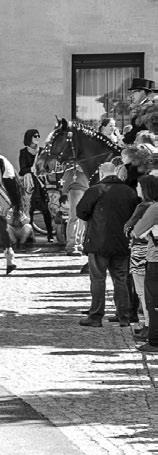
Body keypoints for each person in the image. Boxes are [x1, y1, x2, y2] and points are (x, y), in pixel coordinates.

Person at [77, 162, 140, 327]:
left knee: (98, 279)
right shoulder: (129, 192)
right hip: (121, 242)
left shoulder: (95, 190)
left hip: (98, 242)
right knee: (121, 279)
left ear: (101, 173)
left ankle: (96, 316)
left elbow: (81, 212)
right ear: (116, 173)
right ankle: (124, 316)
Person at [124, 175, 158, 340]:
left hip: (142, 252)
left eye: (139, 186)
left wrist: (130, 231)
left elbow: (131, 229)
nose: (137, 188)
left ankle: (149, 326)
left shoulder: (145, 207)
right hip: (149, 251)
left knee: (143, 292)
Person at [17, 129, 53, 242]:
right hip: (30, 185)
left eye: (38, 136)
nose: (37, 138)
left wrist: (41, 170)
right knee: (30, 211)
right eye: (35, 136)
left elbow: (47, 168)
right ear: (29, 138)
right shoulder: (23, 152)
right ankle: (30, 237)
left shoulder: (42, 151)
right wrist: (30, 170)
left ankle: (50, 235)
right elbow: (22, 170)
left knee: (46, 211)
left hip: (40, 184)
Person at [63, 163, 89, 256]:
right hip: (76, 184)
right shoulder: (74, 155)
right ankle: (72, 245)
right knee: (75, 216)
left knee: (82, 217)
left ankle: (78, 243)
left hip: (85, 184)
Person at [123, 78, 155, 145]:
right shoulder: (143, 106)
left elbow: (139, 130)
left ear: (143, 92)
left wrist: (124, 139)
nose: (131, 95)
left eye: (134, 92)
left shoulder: (149, 107)